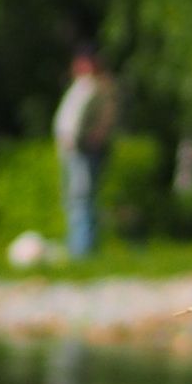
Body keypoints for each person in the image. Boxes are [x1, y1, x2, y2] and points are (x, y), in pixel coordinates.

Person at [52, 45, 118, 259]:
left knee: (82, 198)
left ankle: (83, 249)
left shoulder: (100, 87)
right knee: (73, 198)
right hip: (71, 151)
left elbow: (105, 120)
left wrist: (93, 139)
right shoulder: (80, 86)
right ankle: (76, 245)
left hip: (85, 151)